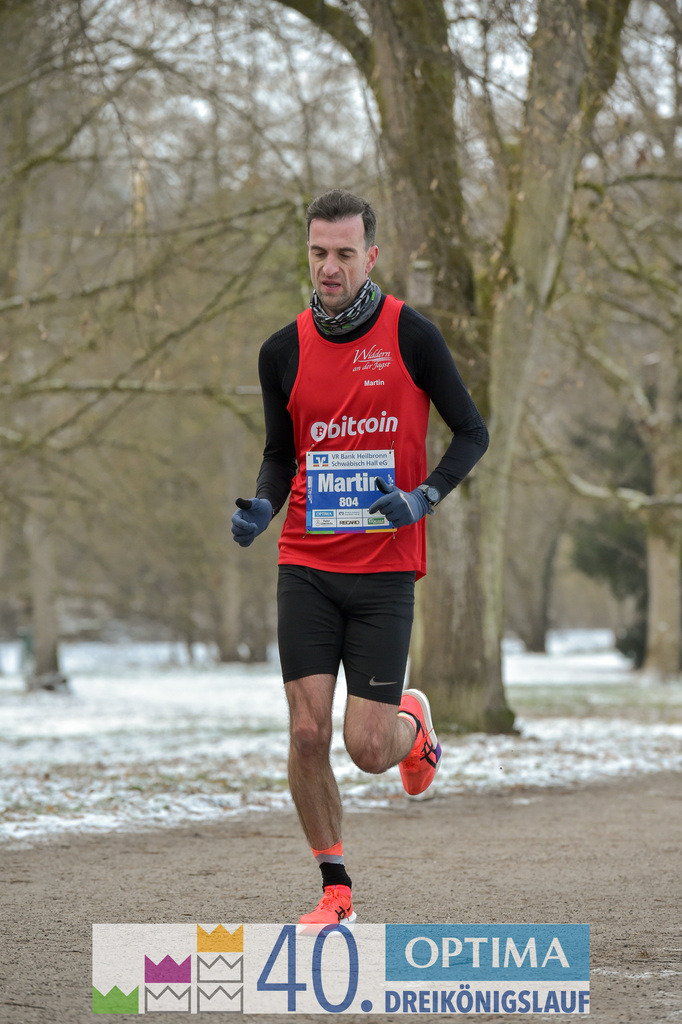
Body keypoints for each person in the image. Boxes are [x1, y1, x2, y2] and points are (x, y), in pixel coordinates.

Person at [231, 188, 488, 926]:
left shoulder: (413, 335)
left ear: (370, 255)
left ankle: (414, 724)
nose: (330, 267)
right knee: (308, 731)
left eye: (345, 253)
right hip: (305, 562)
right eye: (319, 253)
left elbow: (472, 432)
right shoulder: (281, 351)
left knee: (368, 749)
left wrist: (423, 497)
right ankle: (335, 887)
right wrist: (262, 504)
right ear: (306, 253)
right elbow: (281, 456)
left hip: (382, 571)